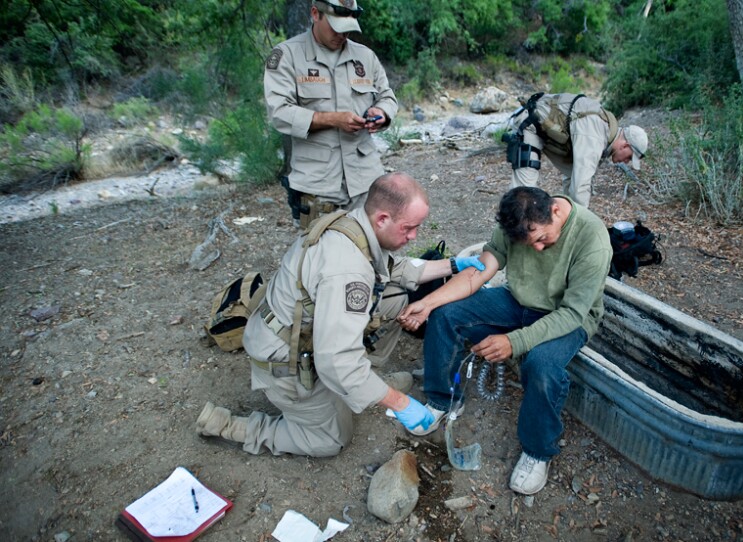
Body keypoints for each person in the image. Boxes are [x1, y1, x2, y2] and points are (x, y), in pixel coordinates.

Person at [195, 173, 486, 457]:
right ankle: (232, 426)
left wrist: (454, 265)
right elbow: (337, 361)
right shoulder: (348, 271)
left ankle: (363, 384)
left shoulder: (354, 225)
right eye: (409, 228)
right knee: (331, 440)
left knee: (396, 298)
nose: (414, 236)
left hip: (294, 328)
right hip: (286, 361)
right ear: (383, 219)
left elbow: (397, 269)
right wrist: (400, 403)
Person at [397, 186, 612, 495]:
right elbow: (481, 270)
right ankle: (440, 400)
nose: (537, 248)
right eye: (529, 243)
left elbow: (573, 313)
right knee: (446, 315)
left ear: (555, 211)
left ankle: (538, 451)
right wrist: (429, 302)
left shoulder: (592, 238)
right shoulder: (516, 221)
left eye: (540, 238)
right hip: (519, 301)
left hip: (567, 317)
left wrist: (515, 341)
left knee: (541, 365)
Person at [264, 0, 398, 228]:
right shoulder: (287, 55)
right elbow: (279, 112)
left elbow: (387, 96)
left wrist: (382, 112)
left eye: (348, 28)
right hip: (318, 185)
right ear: (315, 14)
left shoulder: (365, 57)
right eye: (336, 27)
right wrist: (332, 120)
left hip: (365, 181)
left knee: (372, 254)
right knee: (320, 258)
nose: (342, 34)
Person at [503, 92, 648, 208]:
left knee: (574, 183)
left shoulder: (605, 137)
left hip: (545, 132)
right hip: (530, 124)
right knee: (523, 193)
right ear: (625, 145)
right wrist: (582, 226)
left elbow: (573, 177)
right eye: (629, 157)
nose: (627, 162)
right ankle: (508, 236)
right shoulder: (595, 135)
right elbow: (580, 188)